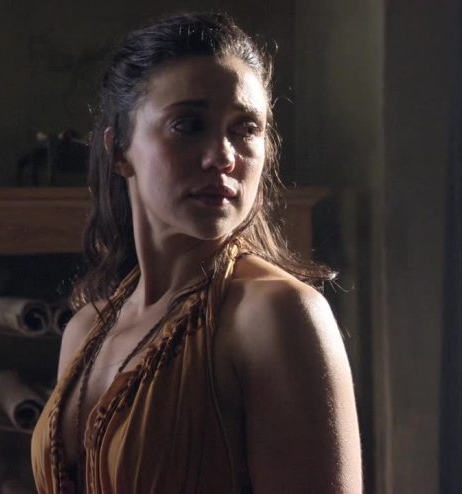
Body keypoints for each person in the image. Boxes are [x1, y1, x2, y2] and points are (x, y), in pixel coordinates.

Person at [30, 11, 362, 494]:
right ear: (119, 150)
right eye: (188, 124)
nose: (223, 156)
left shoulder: (274, 316)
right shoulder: (85, 330)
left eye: (245, 128)